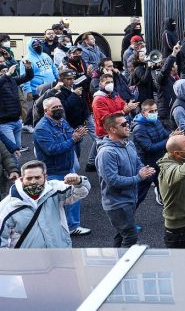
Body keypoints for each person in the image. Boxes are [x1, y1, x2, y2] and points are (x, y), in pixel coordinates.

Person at [96, 113, 156, 247]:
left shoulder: (129, 144)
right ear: (112, 129)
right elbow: (113, 181)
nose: (128, 126)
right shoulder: (107, 153)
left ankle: (116, 262)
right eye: (123, 124)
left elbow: (137, 163)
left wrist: (145, 169)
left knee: (121, 234)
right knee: (130, 237)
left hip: (129, 199)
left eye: (127, 123)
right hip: (117, 204)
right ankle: (125, 265)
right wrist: (139, 177)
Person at [0, 160, 90, 248]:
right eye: (29, 178)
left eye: (37, 177)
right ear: (22, 179)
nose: (33, 181)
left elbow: (81, 192)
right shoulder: (8, 205)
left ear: (45, 177)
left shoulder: (55, 189)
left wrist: (79, 181)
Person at [34, 96, 89, 235]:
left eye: (60, 106)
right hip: (54, 169)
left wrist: (77, 136)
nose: (59, 109)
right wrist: (73, 140)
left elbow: (72, 135)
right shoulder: (41, 128)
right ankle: (54, 230)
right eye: (55, 107)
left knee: (74, 195)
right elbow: (51, 149)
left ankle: (72, 226)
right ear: (46, 110)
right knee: (54, 202)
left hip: (67, 166)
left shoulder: (62, 121)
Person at [132, 99, 171, 207]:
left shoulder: (156, 121)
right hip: (147, 164)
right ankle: (127, 219)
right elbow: (150, 148)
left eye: (155, 110)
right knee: (139, 194)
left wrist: (173, 135)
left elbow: (165, 134)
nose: (154, 114)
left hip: (159, 161)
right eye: (151, 111)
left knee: (165, 189)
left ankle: (171, 217)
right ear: (143, 113)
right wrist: (168, 140)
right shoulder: (139, 129)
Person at [0, 56, 33, 151]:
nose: (6, 72)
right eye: (3, 71)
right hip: (4, 124)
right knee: (11, 151)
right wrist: (7, 74)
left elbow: (28, 77)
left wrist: (28, 68)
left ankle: (16, 166)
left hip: (17, 121)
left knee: (17, 151)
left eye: (7, 70)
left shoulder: (13, 80)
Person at [92, 74, 138, 138]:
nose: (110, 84)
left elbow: (123, 106)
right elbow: (105, 119)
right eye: (107, 82)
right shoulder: (98, 99)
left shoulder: (114, 94)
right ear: (100, 84)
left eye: (112, 82)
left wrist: (129, 106)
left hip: (118, 129)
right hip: (107, 133)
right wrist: (123, 111)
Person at [156, 43, 180, 130]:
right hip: (166, 114)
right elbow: (165, 70)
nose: (177, 66)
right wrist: (173, 54)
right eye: (175, 65)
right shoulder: (163, 79)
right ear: (171, 68)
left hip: (173, 111)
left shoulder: (176, 78)